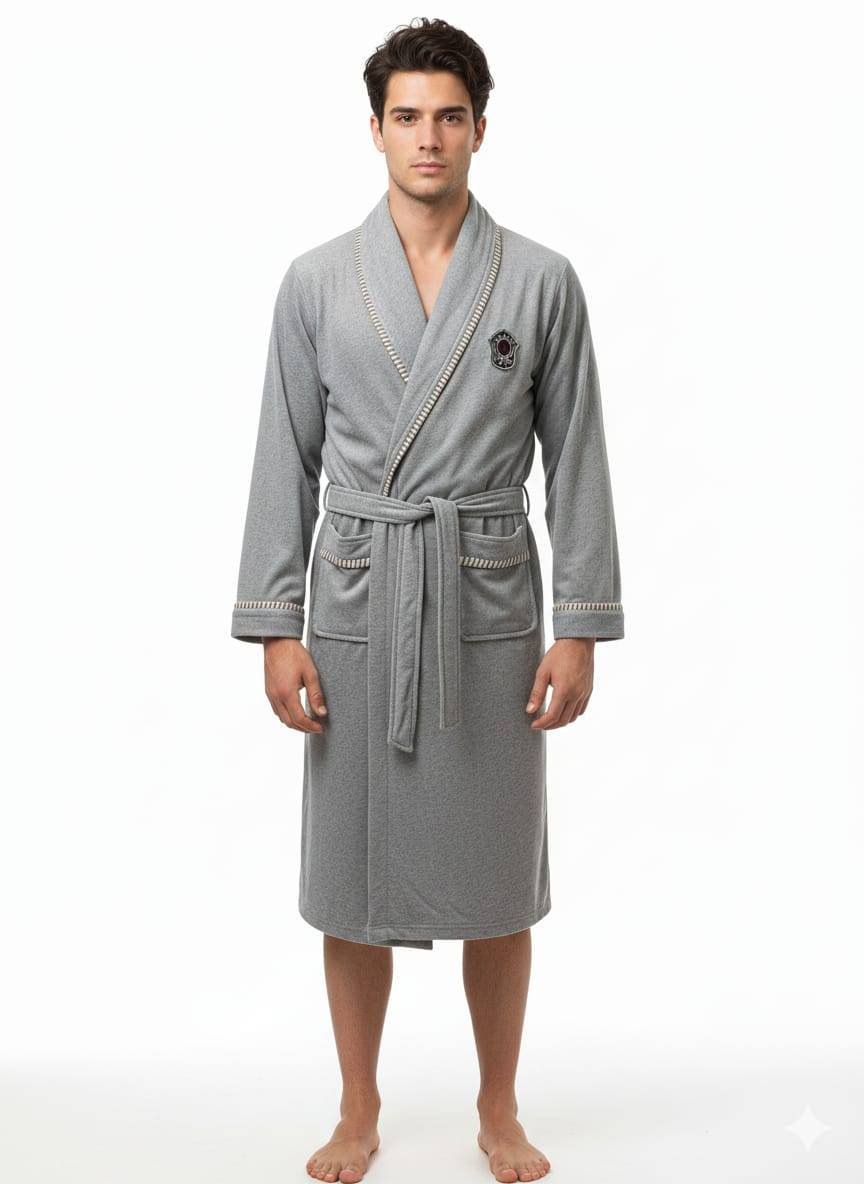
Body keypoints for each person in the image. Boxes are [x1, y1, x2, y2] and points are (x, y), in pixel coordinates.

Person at [231, 17, 624, 1184]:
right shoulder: (316, 282)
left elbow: (579, 459)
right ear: (375, 129)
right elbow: (285, 456)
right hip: (359, 602)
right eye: (407, 116)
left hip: (486, 608)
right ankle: (358, 1105)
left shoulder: (541, 281)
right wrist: (276, 624)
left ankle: (499, 1105)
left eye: (450, 116)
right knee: (350, 883)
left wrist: (579, 626)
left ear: (481, 129)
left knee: (498, 877)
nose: (429, 137)